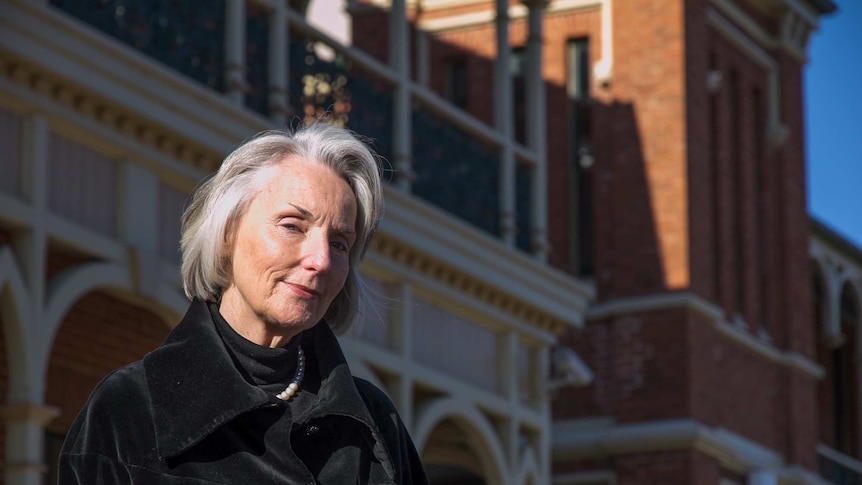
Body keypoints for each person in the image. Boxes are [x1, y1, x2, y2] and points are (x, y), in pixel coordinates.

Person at [59, 121, 429, 484]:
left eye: (339, 243)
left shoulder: (374, 426)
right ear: (226, 234)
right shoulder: (131, 409)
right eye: (292, 226)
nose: (321, 260)